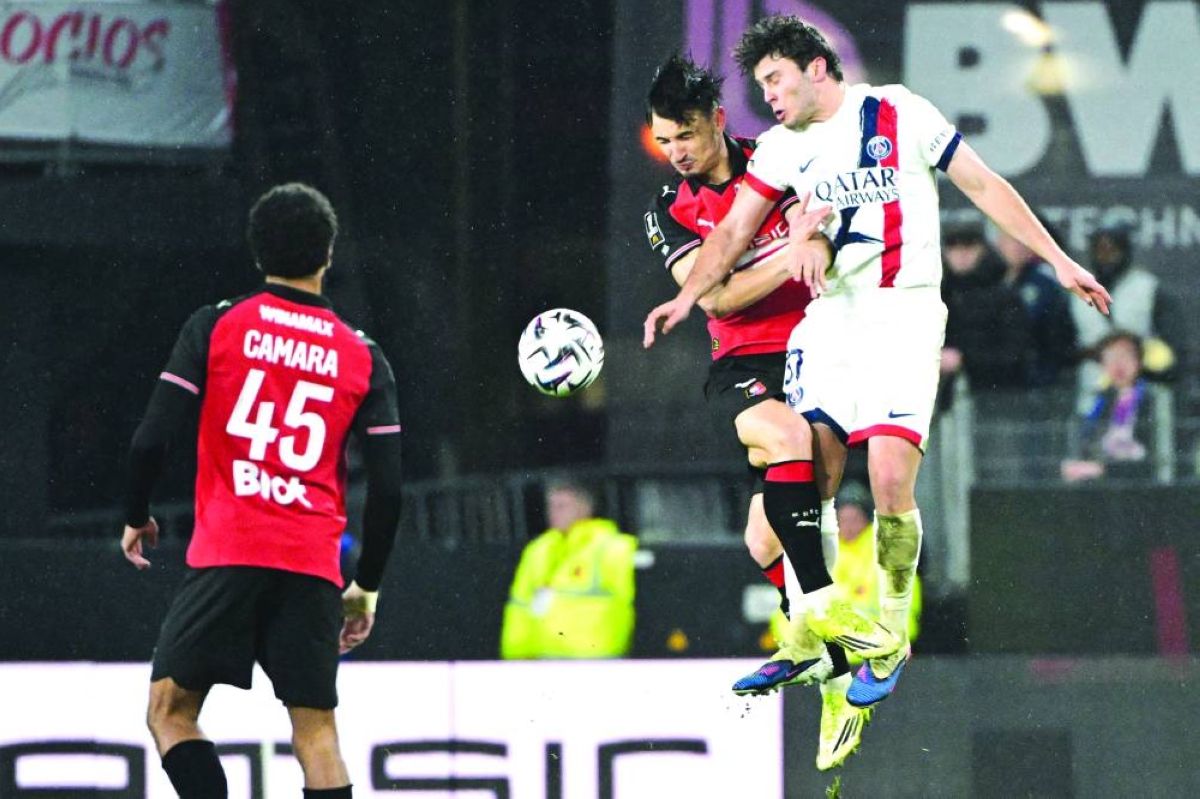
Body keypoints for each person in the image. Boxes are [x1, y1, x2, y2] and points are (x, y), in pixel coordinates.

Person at [643, 14, 1111, 717]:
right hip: (830, 320)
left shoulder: (900, 112)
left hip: (905, 316)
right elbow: (735, 231)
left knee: (890, 476)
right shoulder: (780, 150)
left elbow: (983, 185)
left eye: (775, 80)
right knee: (811, 481)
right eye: (761, 85)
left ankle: (890, 637)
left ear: (816, 68)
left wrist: (1060, 260)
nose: (767, 96)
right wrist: (686, 299)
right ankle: (815, 634)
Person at [120, 183, 404, 799]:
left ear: (256, 252)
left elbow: (150, 440)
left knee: (170, 711)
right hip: (310, 562)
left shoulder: (217, 325)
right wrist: (366, 586)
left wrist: (137, 511)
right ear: (328, 253)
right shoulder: (363, 355)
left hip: (230, 551)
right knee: (317, 735)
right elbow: (388, 489)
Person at [642, 53, 871, 772]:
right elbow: (716, 297)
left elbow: (823, 237)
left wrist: (811, 241)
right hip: (742, 363)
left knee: (764, 538)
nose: (677, 151)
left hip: (820, 348)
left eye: (686, 134)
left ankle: (815, 642)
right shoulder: (667, 208)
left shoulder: (778, 161)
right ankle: (823, 618)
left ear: (717, 119)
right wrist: (787, 255)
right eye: (664, 140)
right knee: (786, 435)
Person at [500, 481, 637, 659]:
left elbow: (633, 602)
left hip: (598, 662)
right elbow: (520, 605)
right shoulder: (538, 550)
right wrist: (517, 654)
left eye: (562, 506)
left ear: (584, 508)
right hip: (545, 660)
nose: (554, 512)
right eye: (551, 506)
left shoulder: (613, 548)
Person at [1071, 220, 1183, 412]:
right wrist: (1096, 353)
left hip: (1144, 399)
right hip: (1090, 397)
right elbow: (1062, 346)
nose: (1106, 258)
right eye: (1100, 250)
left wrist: (1136, 358)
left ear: (1125, 252)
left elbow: (1173, 348)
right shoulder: (1076, 293)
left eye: (1112, 250)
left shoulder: (1148, 289)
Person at [940, 222, 1031, 407]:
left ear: (982, 250)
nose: (961, 254)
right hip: (944, 399)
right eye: (953, 247)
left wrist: (964, 359)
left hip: (996, 398)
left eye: (969, 246)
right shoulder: (938, 294)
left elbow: (1015, 353)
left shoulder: (1004, 296)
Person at [993, 219, 1078, 389]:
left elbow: (1058, 334)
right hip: (996, 376)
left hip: (1039, 377)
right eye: (1011, 240)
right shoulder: (987, 281)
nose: (1017, 247)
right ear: (999, 243)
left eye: (1023, 241)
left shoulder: (1046, 284)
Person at [1061, 330, 1155, 483]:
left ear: (1139, 361)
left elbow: (1154, 459)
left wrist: (1102, 470)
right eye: (1110, 358)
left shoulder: (1153, 400)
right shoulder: (1100, 401)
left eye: (1125, 356)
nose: (1118, 364)